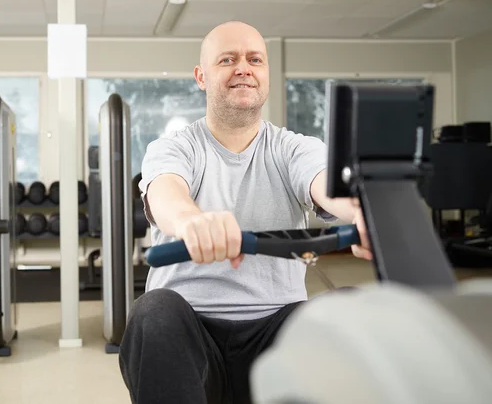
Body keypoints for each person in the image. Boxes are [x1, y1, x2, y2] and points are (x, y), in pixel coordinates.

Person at [118, 21, 372, 404]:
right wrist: (192, 221)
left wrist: (363, 212)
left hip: (276, 333)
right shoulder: (174, 147)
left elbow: (327, 184)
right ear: (201, 77)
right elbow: (166, 192)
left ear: (266, 74)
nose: (244, 68)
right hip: (190, 334)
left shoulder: (294, 148)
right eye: (228, 59)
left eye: (255, 59)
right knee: (153, 311)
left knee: (351, 309)